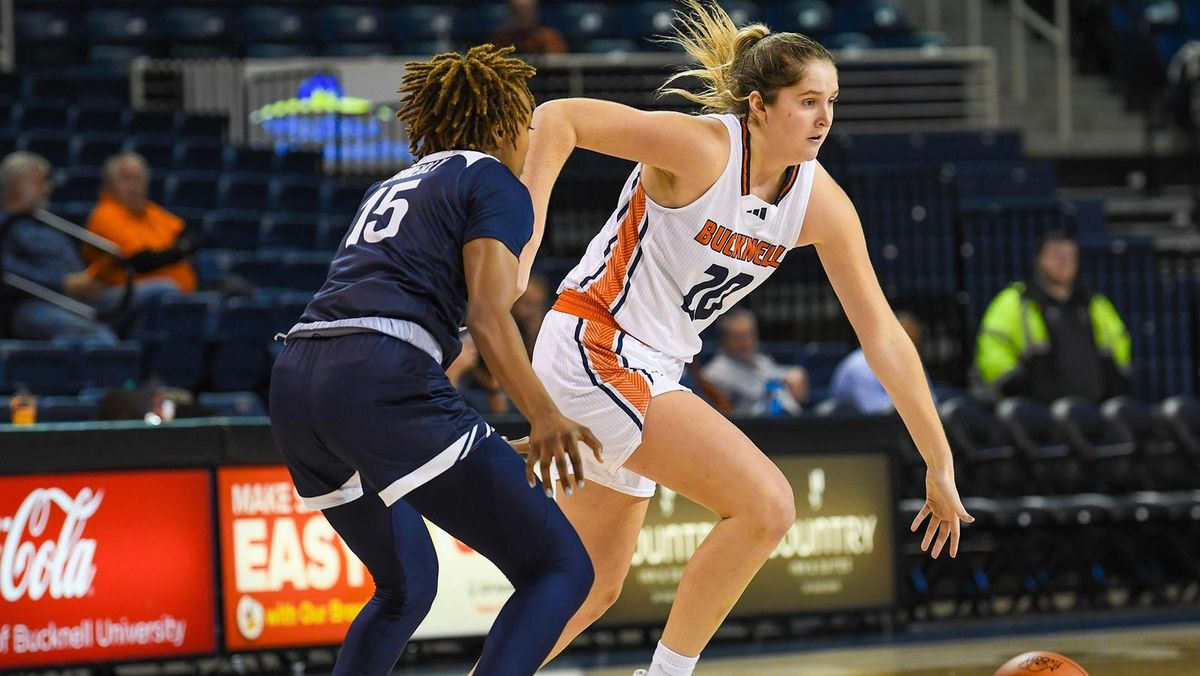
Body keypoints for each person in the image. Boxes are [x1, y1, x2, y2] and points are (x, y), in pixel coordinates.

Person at [520, 3, 973, 673]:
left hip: (649, 367)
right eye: (808, 101)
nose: (824, 116)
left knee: (586, 587)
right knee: (766, 505)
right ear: (759, 106)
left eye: (832, 102)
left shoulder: (819, 202)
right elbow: (558, 118)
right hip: (595, 342)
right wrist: (522, 247)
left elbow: (882, 335)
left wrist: (938, 459)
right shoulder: (703, 149)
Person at [268, 45, 600, 676]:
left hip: (296, 380)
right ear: (504, 127)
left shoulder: (391, 183)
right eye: (527, 126)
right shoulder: (493, 179)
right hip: (377, 378)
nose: (530, 140)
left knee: (405, 588)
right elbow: (486, 314)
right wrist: (545, 414)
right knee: (559, 566)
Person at [974, 229, 1132, 404]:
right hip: (1034, 418)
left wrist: (1113, 391)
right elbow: (994, 350)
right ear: (1039, 259)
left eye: (1070, 257)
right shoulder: (1016, 302)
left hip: (1093, 414)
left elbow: (1120, 350)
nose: (1064, 263)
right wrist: (1020, 392)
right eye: (1056, 256)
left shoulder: (1095, 304)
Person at [0, 151, 117, 342]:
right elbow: (7, 270)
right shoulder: (5, 224)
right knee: (97, 337)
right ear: (16, 185)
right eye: (40, 181)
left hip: (78, 299)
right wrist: (61, 283)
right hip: (31, 304)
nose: (48, 187)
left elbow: (72, 264)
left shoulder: (46, 222)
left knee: (157, 293)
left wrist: (87, 281)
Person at [84, 151, 199, 294]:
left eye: (139, 179)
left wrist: (178, 250)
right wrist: (181, 250)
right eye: (126, 179)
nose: (134, 186)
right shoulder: (104, 215)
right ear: (110, 185)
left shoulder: (149, 210)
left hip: (177, 297)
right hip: (121, 296)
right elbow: (141, 262)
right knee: (164, 288)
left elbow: (192, 235)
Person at [701, 308, 808, 416]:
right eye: (739, 337)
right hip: (751, 426)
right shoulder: (714, 373)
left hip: (790, 421)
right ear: (725, 340)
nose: (746, 342)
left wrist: (793, 374)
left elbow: (778, 376)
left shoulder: (761, 360)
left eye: (750, 335)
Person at [831, 311, 930, 414]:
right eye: (903, 341)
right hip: (856, 426)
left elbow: (931, 404)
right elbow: (873, 409)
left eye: (914, 342)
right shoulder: (859, 365)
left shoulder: (911, 363)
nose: (910, 349)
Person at [490, 0, 568, 55]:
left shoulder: (550, 38)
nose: (523, 17)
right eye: (517, 12)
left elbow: (561, 63)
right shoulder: (500, 39)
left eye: (527, 12)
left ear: (536, 13)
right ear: (509, 13)